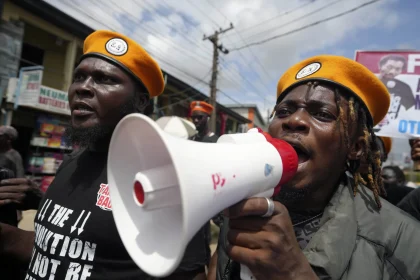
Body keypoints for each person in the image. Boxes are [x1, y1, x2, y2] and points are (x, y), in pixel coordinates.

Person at [0, 30, 207, 280]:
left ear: (141, 101)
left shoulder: (167, 182)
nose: (83, 88)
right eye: (79, 77)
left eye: (104, 79)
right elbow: (58, 252)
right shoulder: (71, 164)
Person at [209, 55, 420, 280]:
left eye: (322, 114)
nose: (294, 120)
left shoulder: (404, 242)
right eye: (283, 111)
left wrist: (295, 274)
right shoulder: (246, 203)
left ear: (356, 147)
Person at [376, 55, 415, 130]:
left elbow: (411, 112)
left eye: (397, 69)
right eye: (389, 67)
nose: (392, 72)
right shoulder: (366, 83)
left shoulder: (405, 88)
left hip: (387, 134)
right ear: (380, 65)